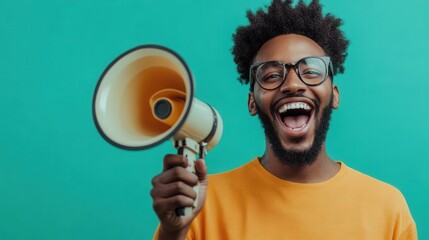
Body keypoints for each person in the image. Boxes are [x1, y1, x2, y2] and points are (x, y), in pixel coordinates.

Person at [150, 0, 418, 239]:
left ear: (333, 95)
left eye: (311, 71)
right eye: (271, 75)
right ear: (252, 102)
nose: (292, 84)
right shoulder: (201, 203)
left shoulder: (387, 207)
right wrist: (172, 233)